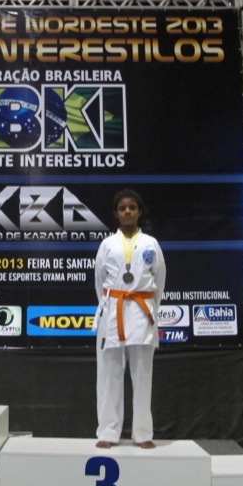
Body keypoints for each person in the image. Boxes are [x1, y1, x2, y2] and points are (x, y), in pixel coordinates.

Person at [93, 189, 166, 448]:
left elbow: (159, 281)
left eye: (132, 207)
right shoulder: (107, 245)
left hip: (141, 312)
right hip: (112, 310)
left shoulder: (151, 244)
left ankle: (143, 433)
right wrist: (110, 304)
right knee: (109, 375)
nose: (127, 212)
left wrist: (149, 309)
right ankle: (108, 432)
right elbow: (99, 281)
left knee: (143, 376)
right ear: (115, 213)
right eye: (122, 208)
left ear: (139, 211)